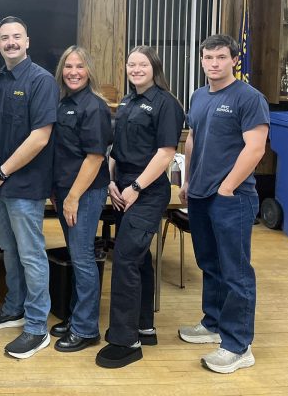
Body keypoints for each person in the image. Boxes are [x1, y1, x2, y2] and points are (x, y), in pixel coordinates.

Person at [178, 34, 269, 374]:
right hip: (200, 194)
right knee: (210, 263)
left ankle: (238, 345)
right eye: (207, 57)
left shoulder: (249, 98)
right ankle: (213, 322)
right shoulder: (199, 96)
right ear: (201, 61)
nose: (213, 63)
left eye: (220, 57)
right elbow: (194, 140)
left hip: (232, 197)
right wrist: (188, 181)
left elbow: (255, 148)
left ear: (233, 60)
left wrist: (228, 187)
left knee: (236, 272)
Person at [95, 46, 185, 369]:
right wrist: (110, 181)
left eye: (142, 64)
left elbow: (164, 154)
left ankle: (125, 340)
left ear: (155, 67)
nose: (136, 69)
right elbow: (116, 149)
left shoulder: (167, 104)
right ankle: (144, 326)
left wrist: (135, 188)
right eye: (131, 64)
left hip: (147, 190)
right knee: (140, 259)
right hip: (124, 187)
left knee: (125, 259)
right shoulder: (128, 102)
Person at [0, 16, 58, 359]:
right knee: (8, 250)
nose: (10, 42)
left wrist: (2, 172)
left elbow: (40, 137)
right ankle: (15, 308)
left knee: (31, 254)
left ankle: (37, 328)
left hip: (23, 186)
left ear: (27, 41)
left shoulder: (41, 81)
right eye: (4, 38)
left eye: (16, 37)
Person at [50, 46, 113, 352]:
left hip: (84, 193)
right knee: (77, 257)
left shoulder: (94, 107)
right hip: (65, 191)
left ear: (89, 71)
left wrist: (73, 197)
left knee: (83, 258)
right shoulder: (63, 102)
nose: (73, 72)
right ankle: (77, 317)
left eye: (79, 67)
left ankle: (86, 329)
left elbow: (95, 157)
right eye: (68, 66)